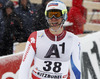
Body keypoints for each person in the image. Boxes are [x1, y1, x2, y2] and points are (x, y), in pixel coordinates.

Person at [18, 0, 81, 79]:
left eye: (57, 14)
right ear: (46, 16)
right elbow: (24, 66)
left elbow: (76, 70)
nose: (53, 18)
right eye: (50, 14)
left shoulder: (73, 40)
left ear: (64, 15)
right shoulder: (35, 37)